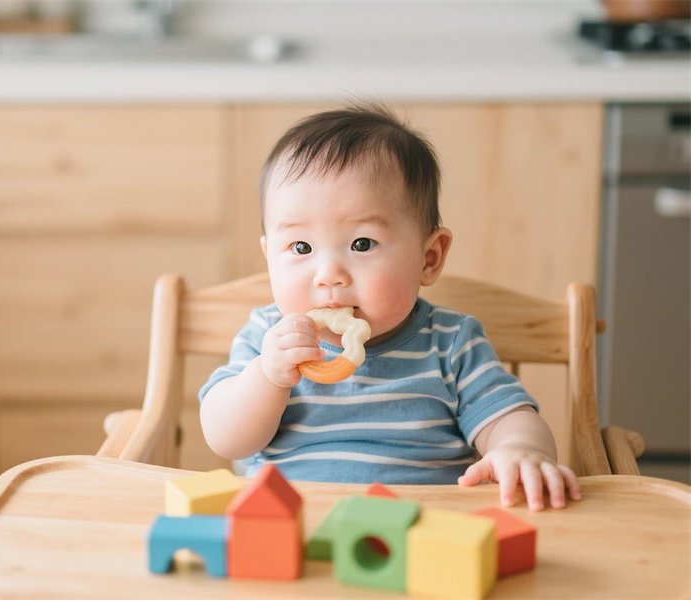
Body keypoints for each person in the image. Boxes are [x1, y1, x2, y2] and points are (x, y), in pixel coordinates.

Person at [199, 103, 581, 511]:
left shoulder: (451, 344)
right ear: (269, 257)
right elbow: (226, 439)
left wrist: (520, 449)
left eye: (362, 244)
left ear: (428, 258)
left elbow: (508, 418)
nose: (328, 274)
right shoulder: (266, 337)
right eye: (301, 247)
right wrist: (267, 377)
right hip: (291, 524)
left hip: (419, 531)